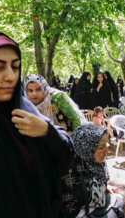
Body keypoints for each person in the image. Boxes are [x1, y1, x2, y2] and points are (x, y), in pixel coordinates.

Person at [0, 30, 74, 217]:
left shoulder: (24, 110)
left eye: (15, 67)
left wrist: (48, 132)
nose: (10, 76)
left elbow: (66, 156)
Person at [24, 74, 89, 217]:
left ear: (45, 88)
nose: (34, 94)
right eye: (30, 90)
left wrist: (74, 147)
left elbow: (76, 121)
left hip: (70, 145)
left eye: (38, 89)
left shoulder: (58, 97)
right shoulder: (25, 104)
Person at [71, 123, 125, 218]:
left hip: (98, 209)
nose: (106, 151)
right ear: (86, 149)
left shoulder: (96, 164)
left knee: (119, 200)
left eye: (106, 145)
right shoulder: (71, 174)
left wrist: (104, 186)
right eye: (101, 147)